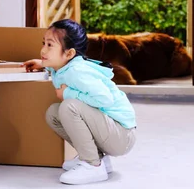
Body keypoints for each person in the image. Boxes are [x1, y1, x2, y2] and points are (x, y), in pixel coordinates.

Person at [23, 19, 137, 185]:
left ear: (69, 54)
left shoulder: (77, 71)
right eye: (44, 43)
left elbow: (104, 99)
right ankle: (98, 159)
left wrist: (68, 93)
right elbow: (59, 67)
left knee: (69, 106)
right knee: (53, 113)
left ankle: (92, 165)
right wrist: (42, 63)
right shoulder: (66, 66)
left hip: (122, 135)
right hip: (111, 131)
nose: (43, 49)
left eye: (50, 45)